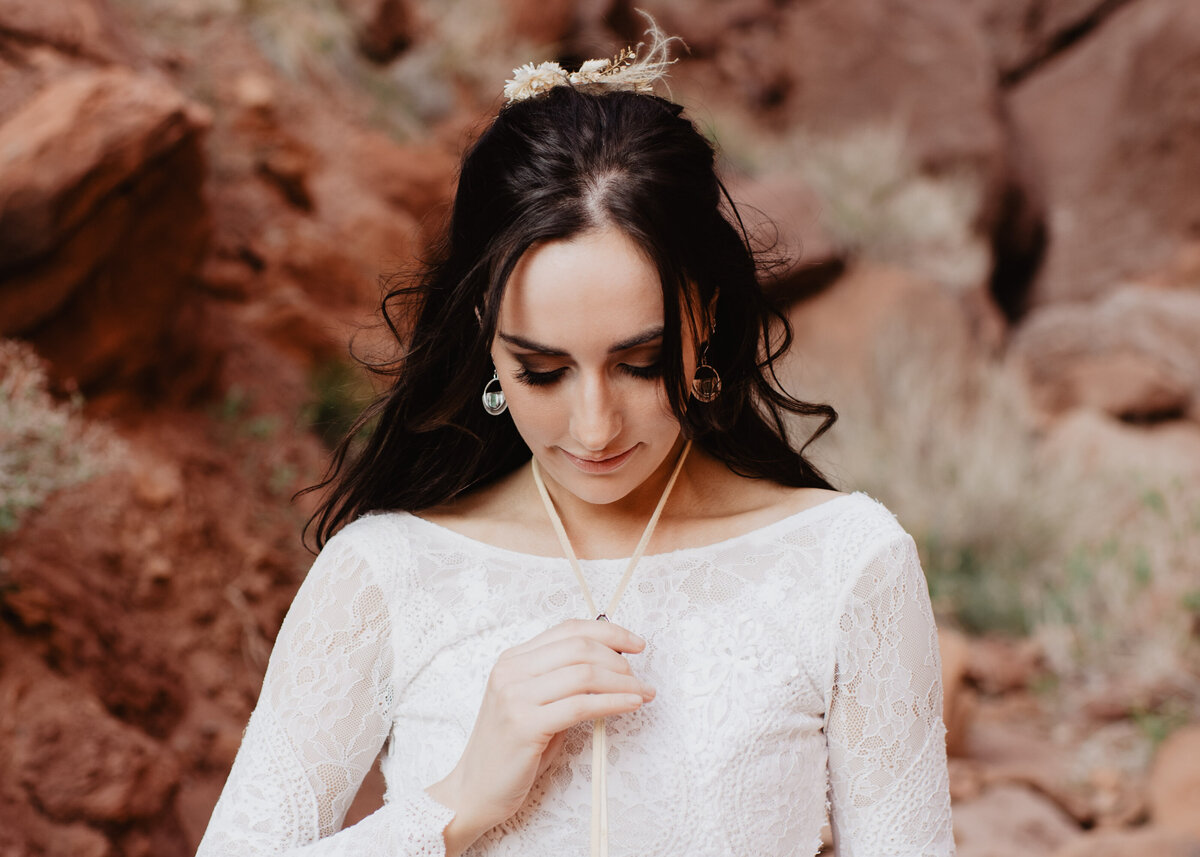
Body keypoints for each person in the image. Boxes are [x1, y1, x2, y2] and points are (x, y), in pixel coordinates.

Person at [197, 22, 954, 857]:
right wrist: (453, 806)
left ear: (707, 317)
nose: (595, 427)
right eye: (543, 371)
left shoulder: (844, 566)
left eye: (641, 362)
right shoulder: (386, 574)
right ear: (486, 333)